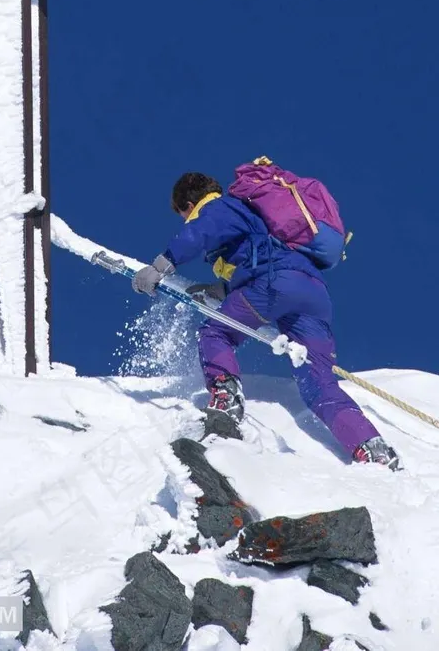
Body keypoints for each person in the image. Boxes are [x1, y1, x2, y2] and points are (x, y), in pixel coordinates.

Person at [132, 171, 400, 470]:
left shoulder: (217, 208)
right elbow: (254, 256)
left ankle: (227, 396)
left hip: (275, 285)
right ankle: (371, 447)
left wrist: (160, 267)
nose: (185, 220)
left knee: (215, 333)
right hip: (312, 293)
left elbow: (199, 233)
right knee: (318, 383)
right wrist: (222, 289)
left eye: (183, 213)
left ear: (189, 203)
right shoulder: (249, 216)